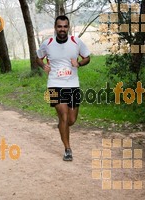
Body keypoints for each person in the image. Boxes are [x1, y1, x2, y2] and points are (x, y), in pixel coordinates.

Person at [36, 15, 90, 161]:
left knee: (71, 120)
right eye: (59, 26)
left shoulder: (76, 42)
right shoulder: (47, 43)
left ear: (68, 27)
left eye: (65, 26)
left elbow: (87, 57)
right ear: (55, 27)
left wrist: (79, 64)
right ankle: (67, 149)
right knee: (64, 116)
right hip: (54, 85)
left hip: (72, 85)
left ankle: (62, 126)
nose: (62, 29)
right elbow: (38, 57)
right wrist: (43, 66)